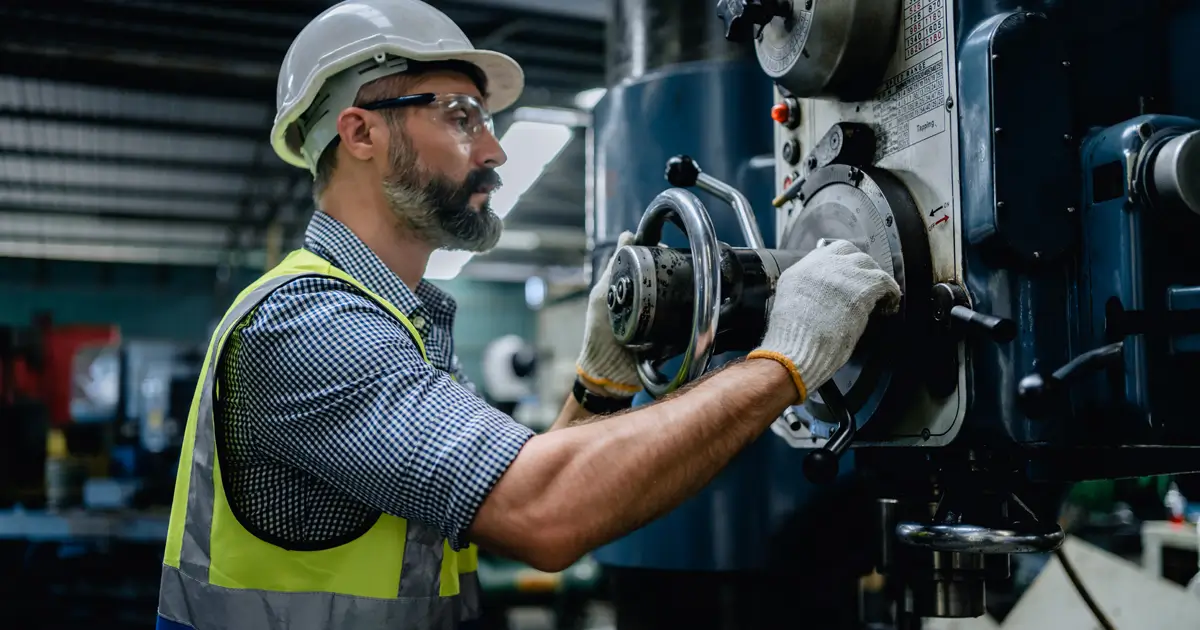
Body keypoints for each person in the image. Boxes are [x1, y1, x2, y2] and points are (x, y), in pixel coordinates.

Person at [153, 1, 902, 628]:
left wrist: (598, 386)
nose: (495, 151)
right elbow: (544, 517)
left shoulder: (392, 323)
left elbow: (505, 499)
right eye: (462, 117)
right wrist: (785, 362)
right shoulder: (311, 326)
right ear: (360, 133)